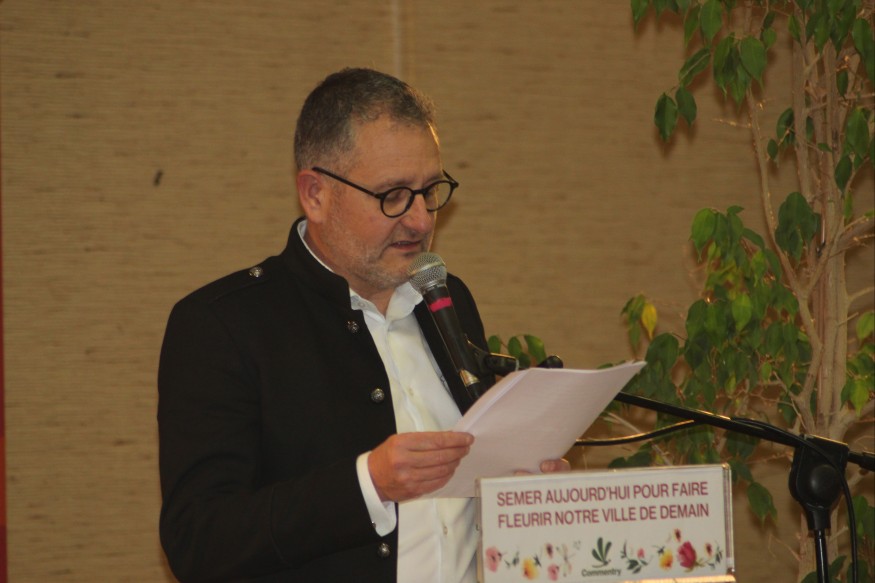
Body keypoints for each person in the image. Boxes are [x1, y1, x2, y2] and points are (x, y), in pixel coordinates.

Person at [158, 67, 567, 582]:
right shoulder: (224, 325)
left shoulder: (448, 298)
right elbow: (198, 541)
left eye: (429, 190)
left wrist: (522, 492)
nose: (421, 220)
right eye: (393, 195)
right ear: (315, 194)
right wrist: (368, 484)